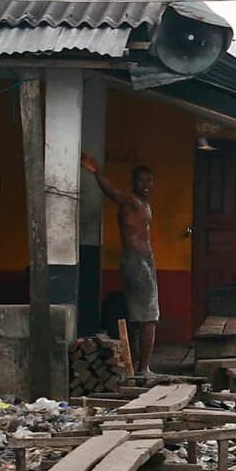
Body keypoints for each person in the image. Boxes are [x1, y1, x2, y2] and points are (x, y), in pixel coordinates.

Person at [82, 154, 157, 377]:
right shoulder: (130, 201)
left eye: (150, 180)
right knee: (149, 318)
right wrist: (97, 174)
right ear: (134, 182)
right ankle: (143, 368)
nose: (146, 185)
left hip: (143, 261)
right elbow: (112, 193)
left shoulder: (144, 203)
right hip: (136, 261)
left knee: (138, 317)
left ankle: (135, 365)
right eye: (142, 180)